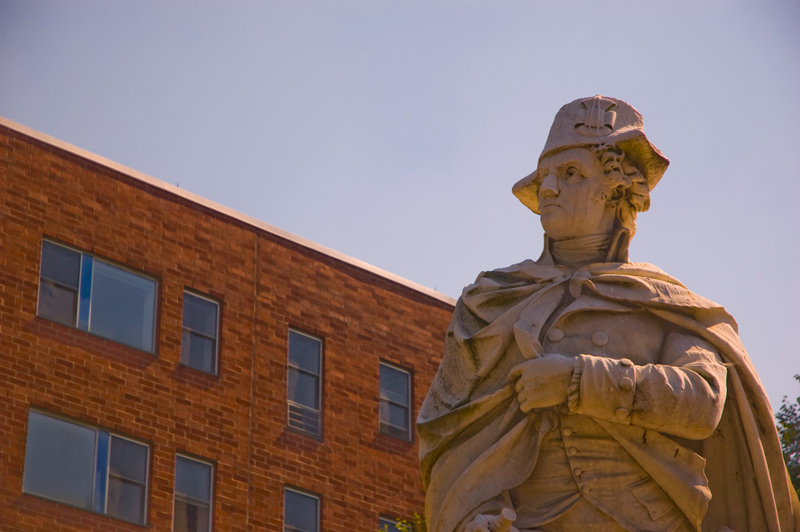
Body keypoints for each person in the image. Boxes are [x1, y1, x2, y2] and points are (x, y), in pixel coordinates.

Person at [418, 96, 800, 532]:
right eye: (545, 177)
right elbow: (447, 435)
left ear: (616, 190)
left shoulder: (663, 302)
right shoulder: (490, 302)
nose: (548, 189)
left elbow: (703, 399)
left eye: (570, 174)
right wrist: (471, 519)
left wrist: (578, 380)